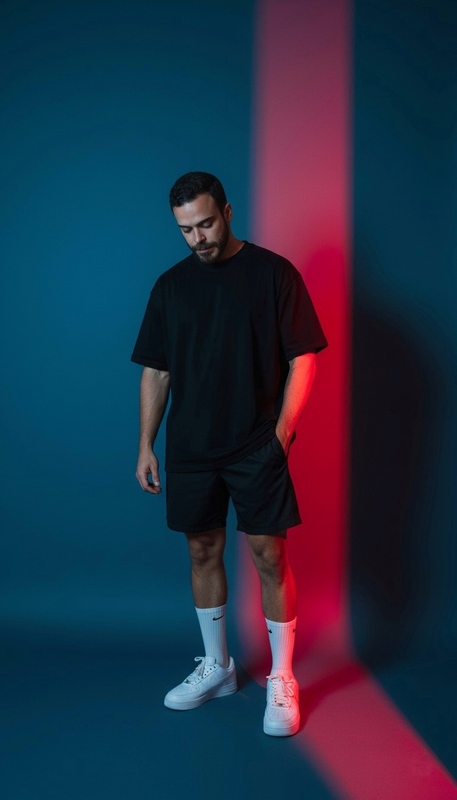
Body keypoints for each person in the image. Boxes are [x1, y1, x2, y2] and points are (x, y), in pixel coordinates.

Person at [131, 171, 327, 737]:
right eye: (186, 230)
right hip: (191, 446)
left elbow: (303, 357)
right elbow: (157, 370)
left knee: (268, 554)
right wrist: (145, 444)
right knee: (202, 550)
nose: (198, 238)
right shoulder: (170, 287)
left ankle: (282, 676)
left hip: (255, 442)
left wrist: (282, 433)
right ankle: (217, 667)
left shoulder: (273, 274)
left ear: (228, 212)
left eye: (206, 224)